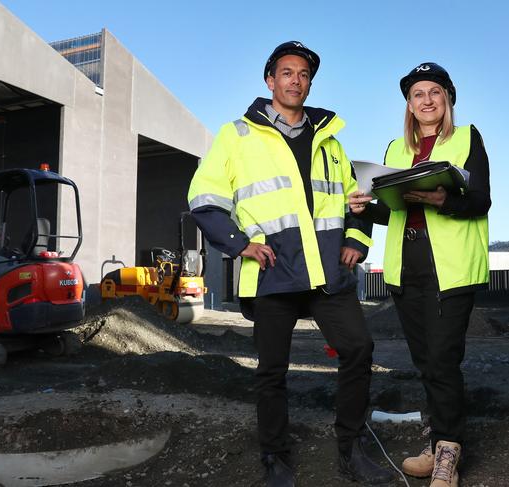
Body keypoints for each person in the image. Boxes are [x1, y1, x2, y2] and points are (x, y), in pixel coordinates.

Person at [187, 41, 397, 487]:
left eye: (303, 74)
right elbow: (204, 200)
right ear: (270, 80)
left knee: (358, 349)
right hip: (273, 271)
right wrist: (238, 244)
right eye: (287, 72)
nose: (295, 80)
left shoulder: (330, 142)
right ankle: (275, 460)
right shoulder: (237, 135)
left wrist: (357, 241)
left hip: (326, 270)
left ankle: (351, 449)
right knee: (271, 371)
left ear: (309, 82)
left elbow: (353, 201)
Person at [349, 62, 491, 487]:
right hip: (406, 264)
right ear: (409, 105)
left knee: (444, 360)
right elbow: (392, 206)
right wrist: (365, 206)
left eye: (434, 92)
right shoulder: (395, 149)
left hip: (451, 266)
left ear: (447, 99)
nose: (426, 100)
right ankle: (438, 443)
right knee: (426, 361)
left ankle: (448, 453)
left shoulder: (467, 138)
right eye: (417, 94)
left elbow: (480, 200)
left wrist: (442, 198)